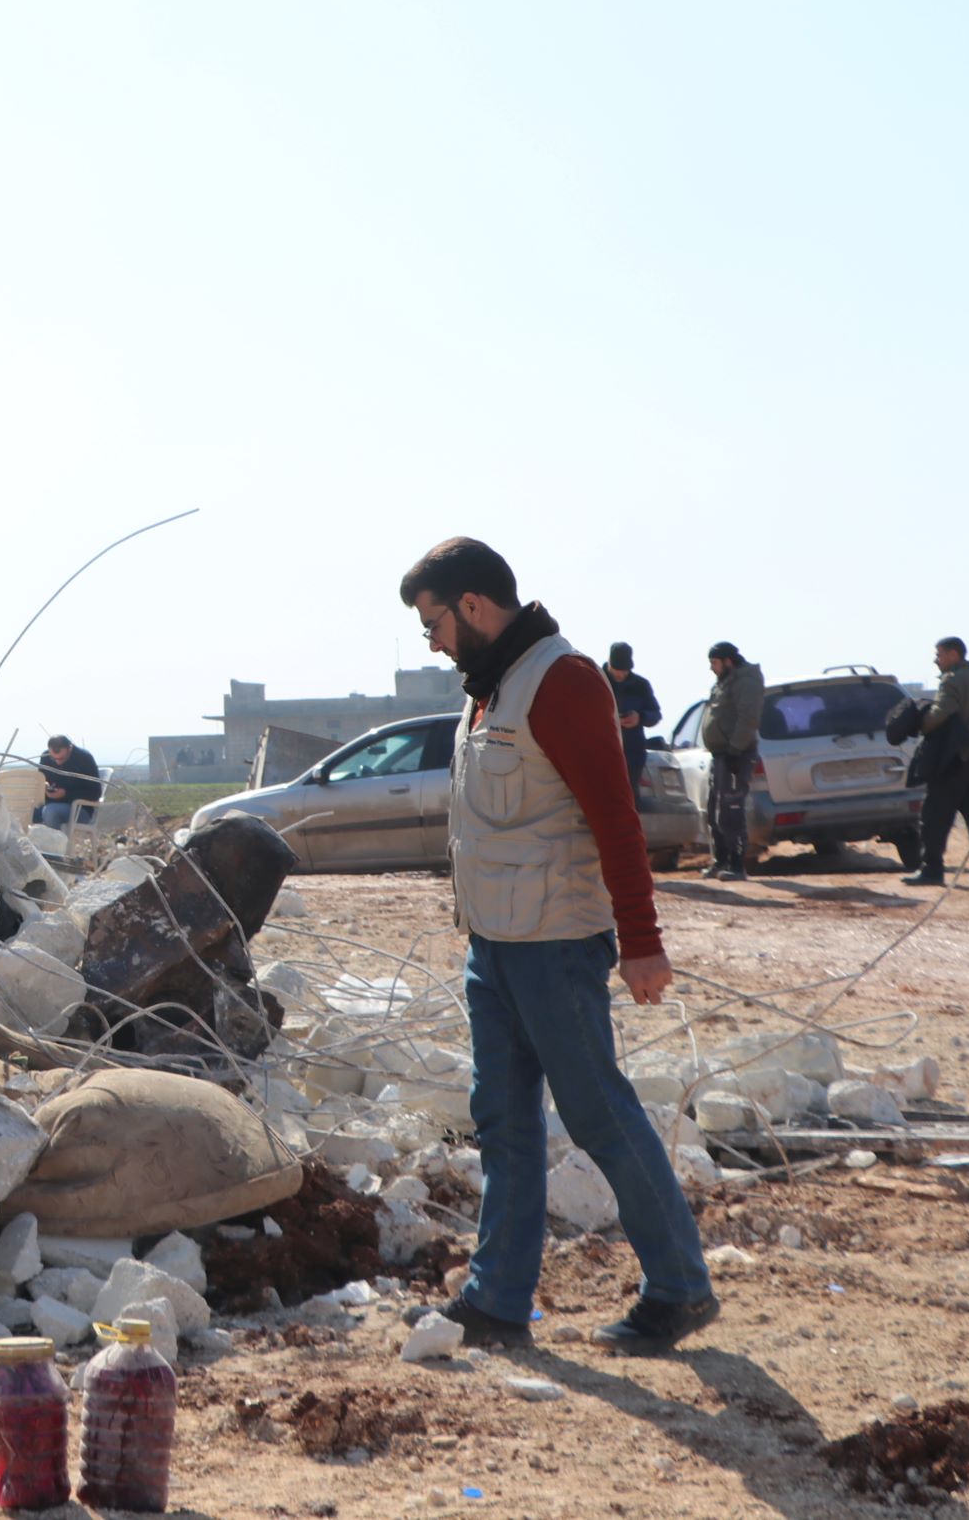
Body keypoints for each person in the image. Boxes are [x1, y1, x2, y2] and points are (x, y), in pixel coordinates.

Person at [399, 537, 716, 1356]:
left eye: (433, 621)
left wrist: (642, 942)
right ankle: (497, 1297)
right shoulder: (488, 687)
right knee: (502, 1121)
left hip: (556, 944)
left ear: (473, 606)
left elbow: (616, 818)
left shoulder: (562, 681)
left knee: (598, 1114)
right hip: (494, 946)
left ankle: (679, 1287)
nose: (429, 640)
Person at [907, 636, 969, 889]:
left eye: (939, 655)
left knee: (935, 815)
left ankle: (932, 870)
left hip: (954, 760)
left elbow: (940, 713)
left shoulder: (952, 681)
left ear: (952, 655)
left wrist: (922, 725)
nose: (936, 660)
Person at [699, 642, 764, 881]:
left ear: (728, 661)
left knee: (731, 811)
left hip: (736, 755)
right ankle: (721, 860)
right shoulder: (725, 681)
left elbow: (748, 718)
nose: (711, 668)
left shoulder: (746, 682)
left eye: (714, 663)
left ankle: (737, 865)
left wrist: (736, 750)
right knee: (715, 810)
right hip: (721, 756)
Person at [605, 642, 662, 795]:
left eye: (624, 670)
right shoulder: (596, 680)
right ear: (609, 663)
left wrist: (640, 718)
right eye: (617, 670)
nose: (620, 674)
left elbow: (655, 714)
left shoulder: (641, 685)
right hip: (602, 754)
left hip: (632, 756)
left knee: (630, 803)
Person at [33, 736, 102, 830]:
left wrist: (66, 794)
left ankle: (56, 844)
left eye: (61, 758)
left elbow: (95, 793)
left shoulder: (84, 758)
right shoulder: (46, 757)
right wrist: (45, 788)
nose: (58, 762)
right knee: (25, 812)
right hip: (50, 804)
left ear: (70, 748)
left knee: (50, 812)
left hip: (79, 809)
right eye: (54, 758)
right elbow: (41, 780)